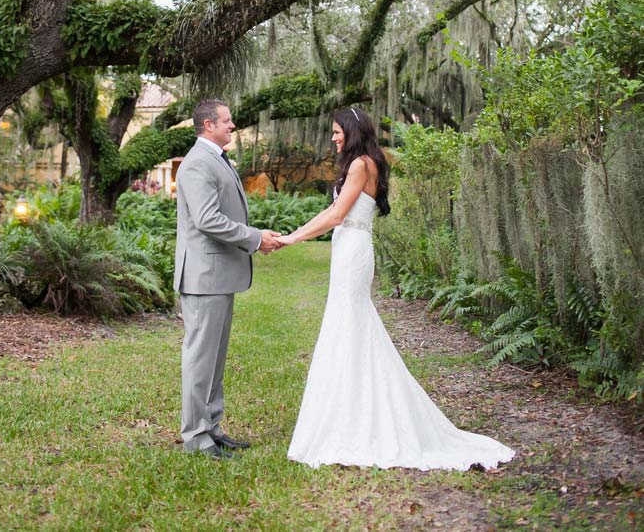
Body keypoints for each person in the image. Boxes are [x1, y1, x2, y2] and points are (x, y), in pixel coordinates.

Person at [280, 107, 515, 470]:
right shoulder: (365, 162)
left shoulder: (360, 165)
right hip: (349, 249)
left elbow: (337, 214)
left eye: (337, 131)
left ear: (353, 130)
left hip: (353, 249)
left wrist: (291, 238)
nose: (333, 137)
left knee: (349, 323)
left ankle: (354, 417)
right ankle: (351, 407)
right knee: (351, 326)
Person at [175, 99, 282, 460]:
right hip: (204, 277)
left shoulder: (215, 159)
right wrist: (254, 238)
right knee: (200, 359)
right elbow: (207, 220)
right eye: (227, 121)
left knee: (215, 360)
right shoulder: (196, 164)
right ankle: (195, 436)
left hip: (218, 276)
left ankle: (213, 428)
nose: (232, 126)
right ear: (208, 125)